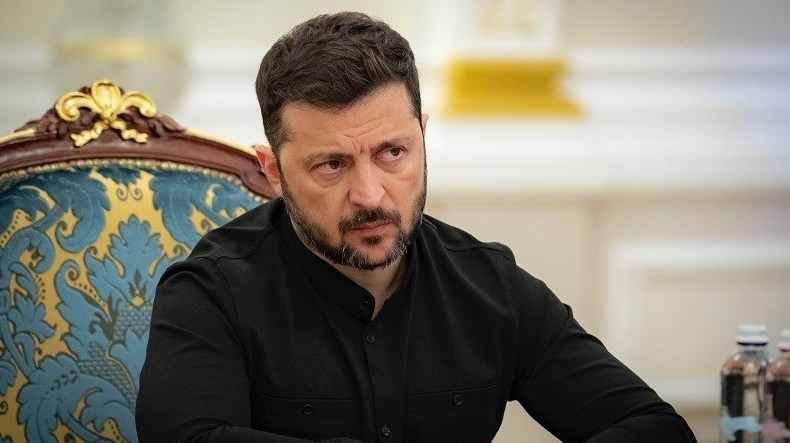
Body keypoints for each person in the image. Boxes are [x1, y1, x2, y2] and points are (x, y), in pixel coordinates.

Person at [135, 11, 696, 443]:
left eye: (392, 153)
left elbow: (654, 426)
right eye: (331, 164)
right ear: (273, 171)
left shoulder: (490, 285)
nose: (370, 194)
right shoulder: (212, 292)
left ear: (422, 139)